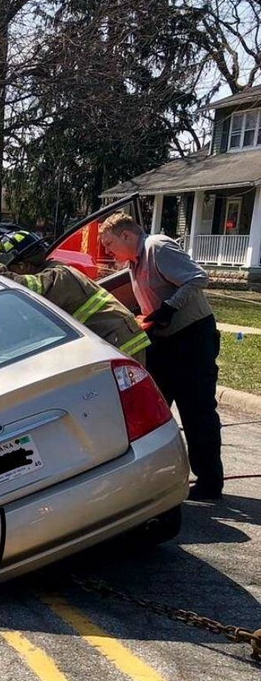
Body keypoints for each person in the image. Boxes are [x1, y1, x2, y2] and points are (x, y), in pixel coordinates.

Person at [100, 212, 224, 501]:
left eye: (109, 243)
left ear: (127, 236)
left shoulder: (157, 247)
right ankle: (151, 479)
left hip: (192, 338)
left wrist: (169, 308)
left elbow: (197, 278)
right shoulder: (133, 261)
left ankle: (210, 482)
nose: (107, 251)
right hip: (164, 341)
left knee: (197, 411)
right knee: (151, 409)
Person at [0, 230, 151, 364]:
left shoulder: (59, 277)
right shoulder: (53, 274)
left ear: (23, 266)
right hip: (108, 341)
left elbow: (24, 287)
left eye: (9, 267)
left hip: (121, 344)